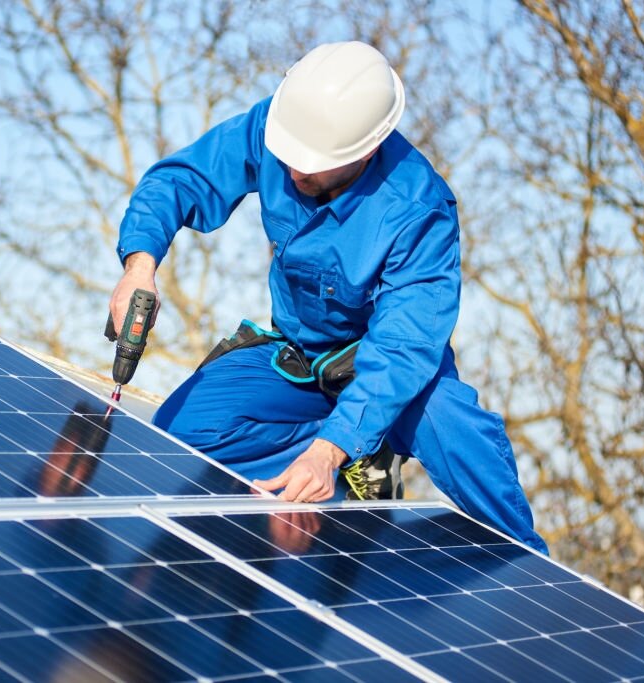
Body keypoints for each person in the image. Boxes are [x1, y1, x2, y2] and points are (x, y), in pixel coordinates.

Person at [108, 41, 548, 554]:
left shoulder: (418, 209)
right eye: (288, 159)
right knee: (178, 434)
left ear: (363, 151)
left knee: (457, 432)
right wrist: (140, 266)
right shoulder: (279, 125)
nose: (293, 173)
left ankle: (531, 563)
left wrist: (333, 446)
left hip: (380, 369)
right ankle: (358, 455)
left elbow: (403, 347)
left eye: (312, 166)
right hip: (297, 359)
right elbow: (184, 179)